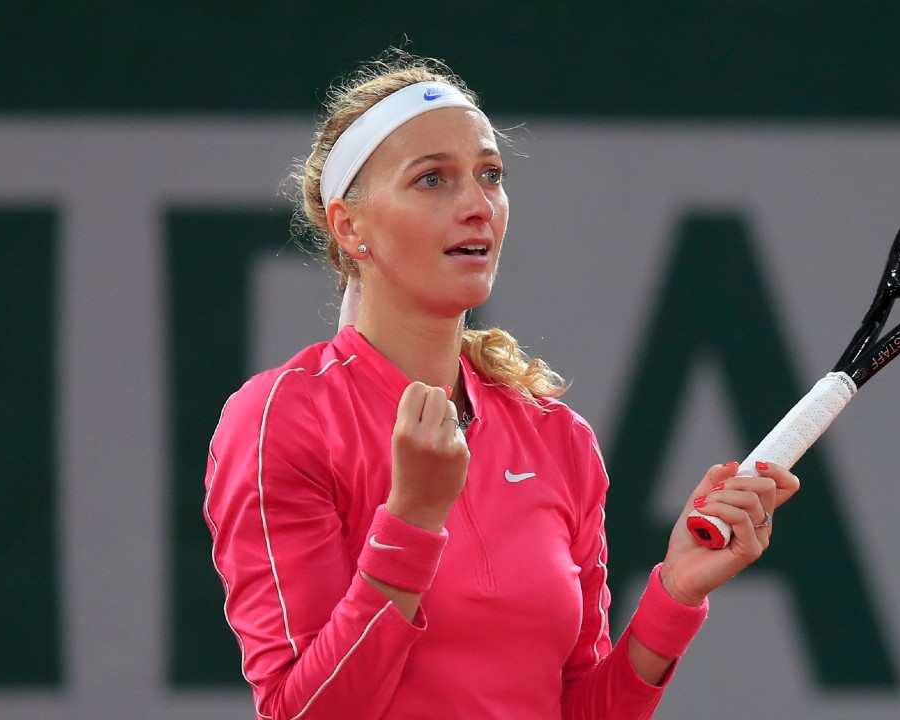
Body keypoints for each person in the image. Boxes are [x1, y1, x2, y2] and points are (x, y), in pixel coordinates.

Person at [204, 49, 800, 720]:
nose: (478, 206)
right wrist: (413, 521)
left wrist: (676, 594)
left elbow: (579, 709)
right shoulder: (280, 419)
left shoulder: (558, 439)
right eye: (432, 180)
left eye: (490, 175)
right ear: (350, 226)